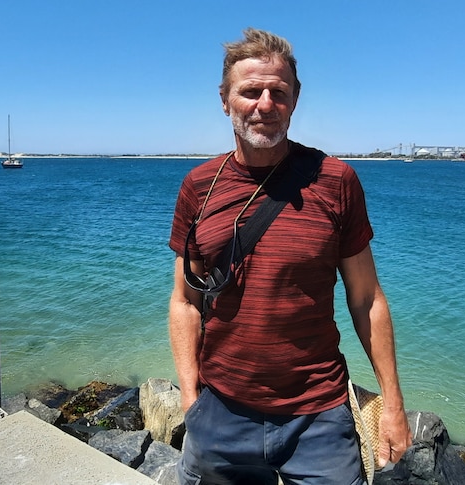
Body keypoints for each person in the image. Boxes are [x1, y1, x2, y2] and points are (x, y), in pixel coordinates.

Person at [168, 27, 412, 484]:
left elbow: (366, 299)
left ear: (294, 100)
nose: (264, 104)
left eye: (277, 92)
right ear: (225, 100)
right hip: (221, 410)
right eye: (250, 91)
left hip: (318, 414)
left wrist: (392, 404)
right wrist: (190, 398)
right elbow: (185, 301)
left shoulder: (336, 181)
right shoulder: (198, 187)